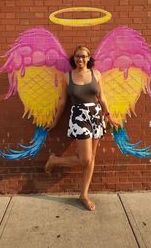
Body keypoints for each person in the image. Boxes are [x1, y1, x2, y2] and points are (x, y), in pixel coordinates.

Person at [45, 46, 117, 211]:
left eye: (83, 56)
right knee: (85, 158)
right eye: (77, 56)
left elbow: (102, 97)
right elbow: (63, 101)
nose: (80, 59)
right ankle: (54, 160)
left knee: (91, 159)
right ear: (74, 58)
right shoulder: (67, 76)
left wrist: (109, 116)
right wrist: (56, 121)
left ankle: (83, 194)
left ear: (88, 58)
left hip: (96, 116)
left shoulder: (96, 74)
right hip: (79, 117)